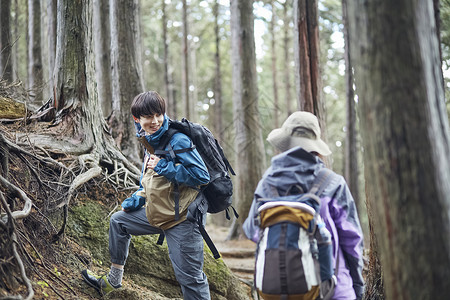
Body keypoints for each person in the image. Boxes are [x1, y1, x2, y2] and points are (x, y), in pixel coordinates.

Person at [81, 91, 211, 299]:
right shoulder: (149, 139)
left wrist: (164, 167)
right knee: (119, 222)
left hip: (184, 219)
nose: (155, 121)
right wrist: (138, 198)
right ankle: (113, 281)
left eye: (159, 114)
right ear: (137, 119)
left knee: (191, 279)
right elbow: (153, 179)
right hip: (161, 212)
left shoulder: (178, 140)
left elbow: (201, 176)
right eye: (148, 116)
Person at [243, 111, 365, 300]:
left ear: (285, 145)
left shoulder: (266, 184)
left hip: (278, 291)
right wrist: (357, 285)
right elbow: (352, 243)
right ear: (316, 147)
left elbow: (252, 230)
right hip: (332, 289)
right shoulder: (333, 183)